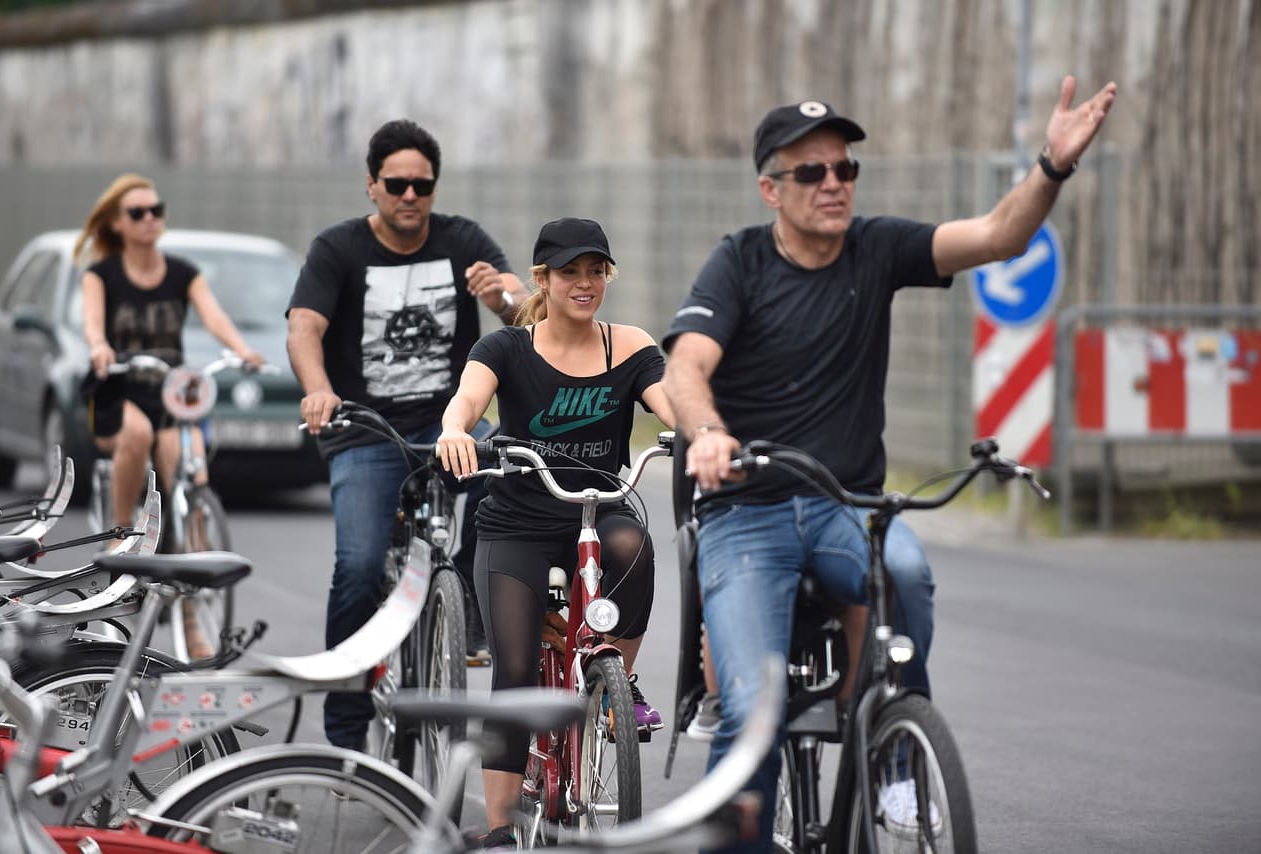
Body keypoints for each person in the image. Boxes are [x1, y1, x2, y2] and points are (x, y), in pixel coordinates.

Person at [663, 75, 1117, 851]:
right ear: (770, 189)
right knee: (751, 710)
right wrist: (706, 433)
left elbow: (1000, 237)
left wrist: (1051, 165)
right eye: (812, 172)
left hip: (850, 506)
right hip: (748, 509)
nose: (834, 184)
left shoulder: (877, 249)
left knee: (907, 574)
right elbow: (685, 369)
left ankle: (894, 754)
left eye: (845, 169)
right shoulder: (737, 264)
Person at [287, 119, 526, 751]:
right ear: (372, 186)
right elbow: (305, 327)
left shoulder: (462, 240)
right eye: (397, 184)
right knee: (361, 567)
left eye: (423, 184)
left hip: (448, 425)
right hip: (367, 430)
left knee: (508, 460)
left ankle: (466, 604)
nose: (411, 195)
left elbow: (523, 305)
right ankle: (345, 729)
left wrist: (501, 296)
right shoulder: (338, 249)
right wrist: (318, 388)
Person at [436, 217, 675, 848]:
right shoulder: (507, 349)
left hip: (600, 506)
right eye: (570, 271)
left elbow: (672, 400)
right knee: (514, 674)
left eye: (596, 270)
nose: (585, 282)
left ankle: (611, 688)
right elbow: (467, 400)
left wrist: (703, 434)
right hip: (518, 520)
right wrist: (457, 429)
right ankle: (496, 832)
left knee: (634, 546)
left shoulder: (627, 345)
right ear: (543, 278)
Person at [77, 174, 264, 532]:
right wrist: (99, 346)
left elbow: (214, 316)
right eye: (137, 212)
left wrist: (242, 350)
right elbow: (92, 322)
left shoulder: (183, 273)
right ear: (117, 223)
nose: (149, 218)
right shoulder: (100, 276)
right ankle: (119, 531)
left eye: (155, 210)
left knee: (190, 462)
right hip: (117, 388)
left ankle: (195, 557)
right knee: (137, 435)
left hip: (170, 390)